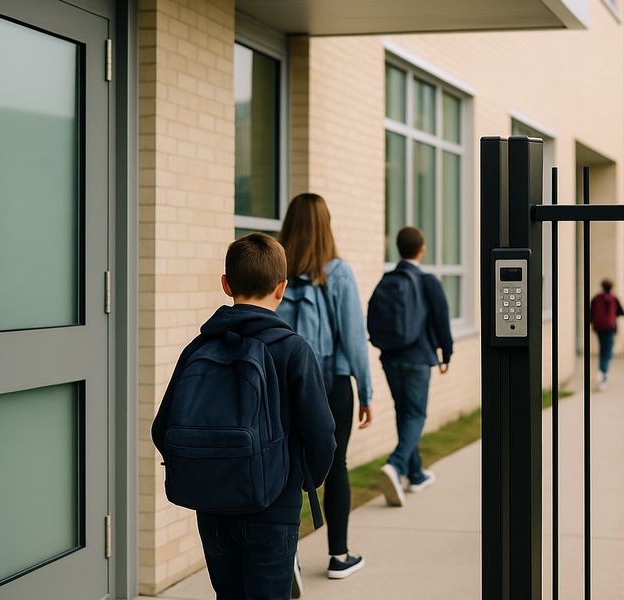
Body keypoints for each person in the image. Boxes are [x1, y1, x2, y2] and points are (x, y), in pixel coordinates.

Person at [152, 233, 337, 600]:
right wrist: (305, 479)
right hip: (274, 506)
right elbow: (322, 433)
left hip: (213, 506)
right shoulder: (294, 350)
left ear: (225, 284)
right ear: (281, 288)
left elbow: (162, 428)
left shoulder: (199, 347)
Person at [277, 193, 374, 585]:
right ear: (326, 225)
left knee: (284, 467)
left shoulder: (275, 269)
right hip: (330, 383)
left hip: (284, 382)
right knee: (336, 466)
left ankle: (287, 560)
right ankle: (338, 555)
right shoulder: (338, 272)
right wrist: (366, 392)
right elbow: (354, 338)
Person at [371, 226, 453, 507]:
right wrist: (447, 353)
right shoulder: (428, 281)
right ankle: (395, 466)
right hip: (418, 358)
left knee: (404, 413)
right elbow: (442, 320)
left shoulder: (387, 279)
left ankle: (415, 474)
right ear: (422, 248)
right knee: (416, 415)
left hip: (390, 357)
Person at [590, 279, 624, 390]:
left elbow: (590, 314)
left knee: (602, 350)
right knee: (607, 352)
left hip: (599, 329)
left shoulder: (596, 298)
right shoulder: (614, 299)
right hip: (610, 329)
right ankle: (603, 373)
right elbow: (621, 312)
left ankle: (602, 372)